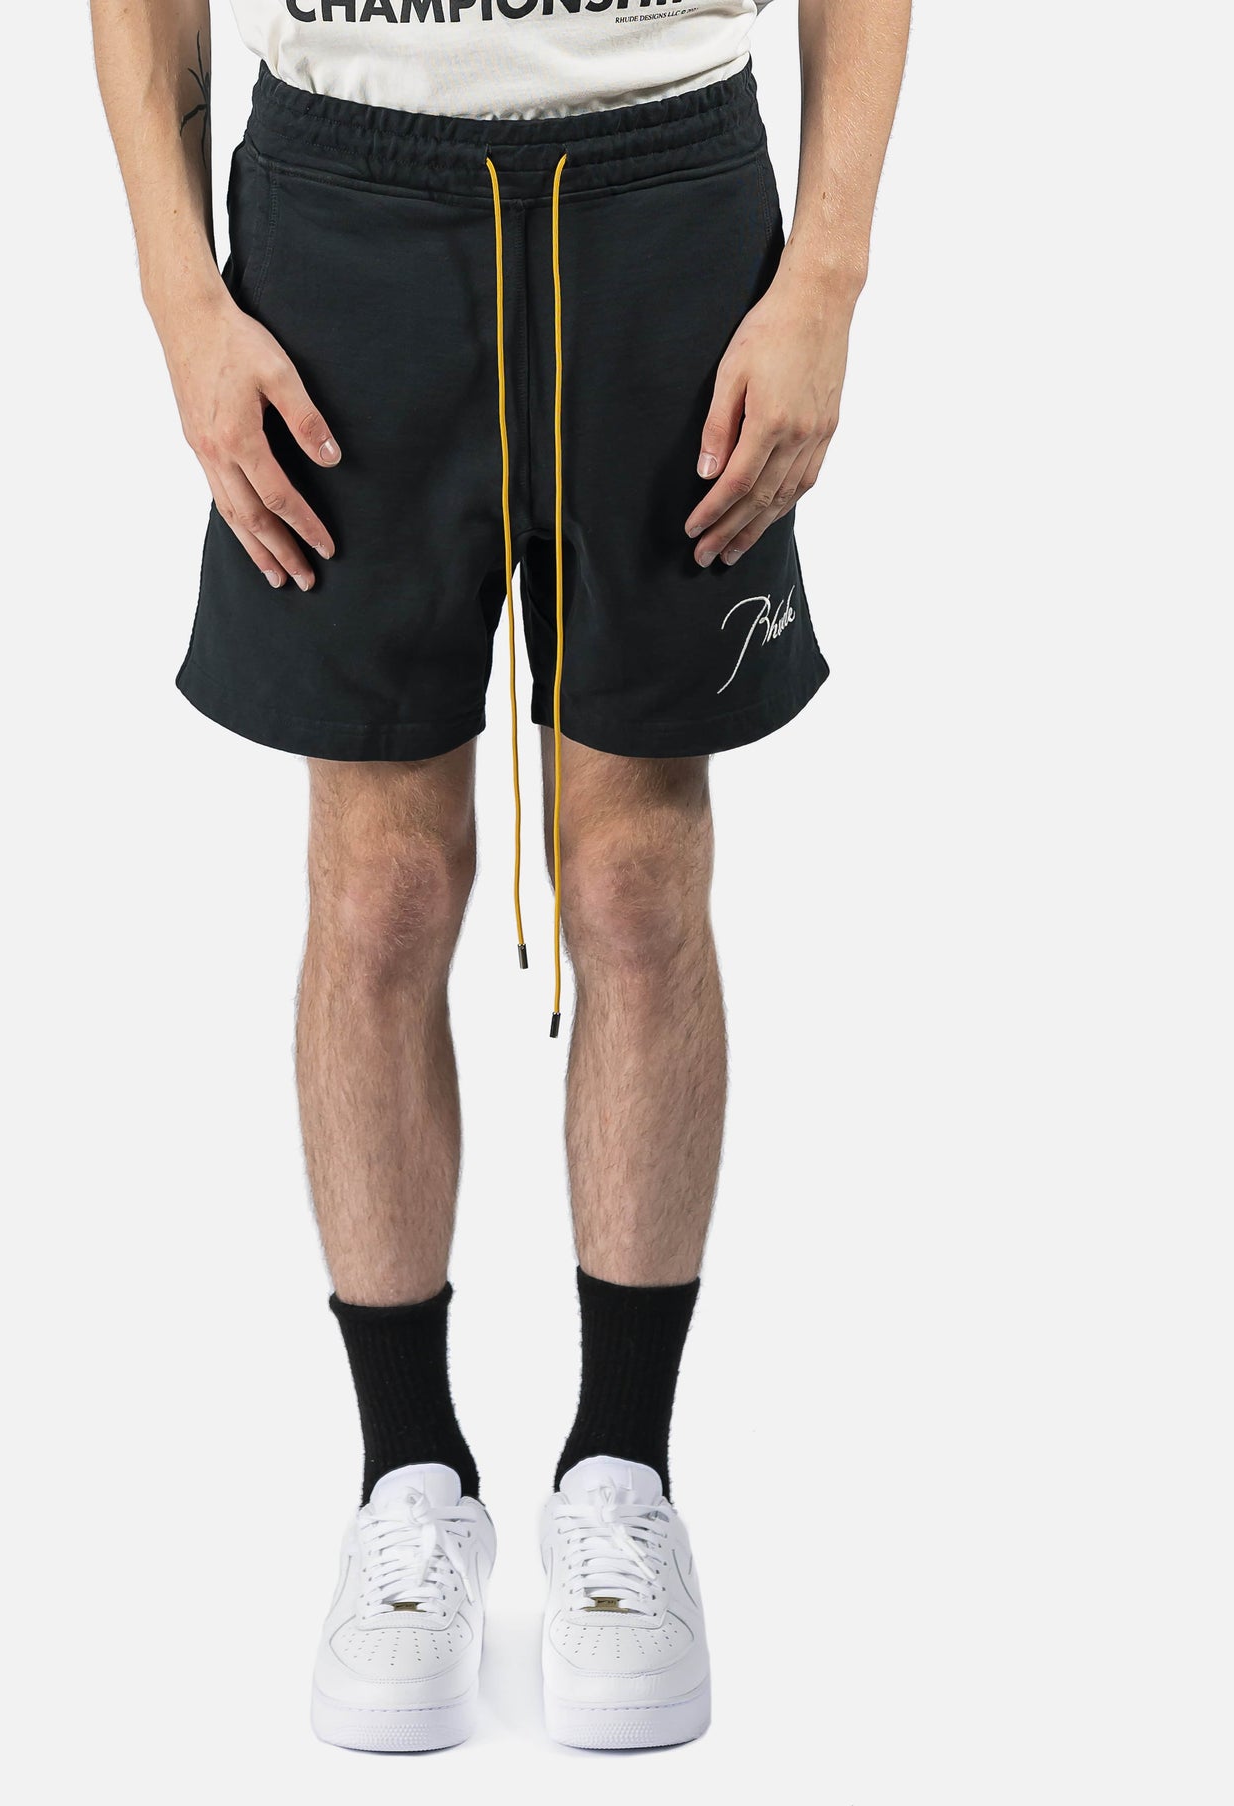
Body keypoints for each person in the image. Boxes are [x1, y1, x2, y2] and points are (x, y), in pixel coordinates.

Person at [91, 0, 908, 1752]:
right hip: (346, 204)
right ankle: (408, 1480)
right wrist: (178, 296)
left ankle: (623, 1470)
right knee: (380, 884)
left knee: (634, 879)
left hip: (660, 188)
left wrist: (825, 278)